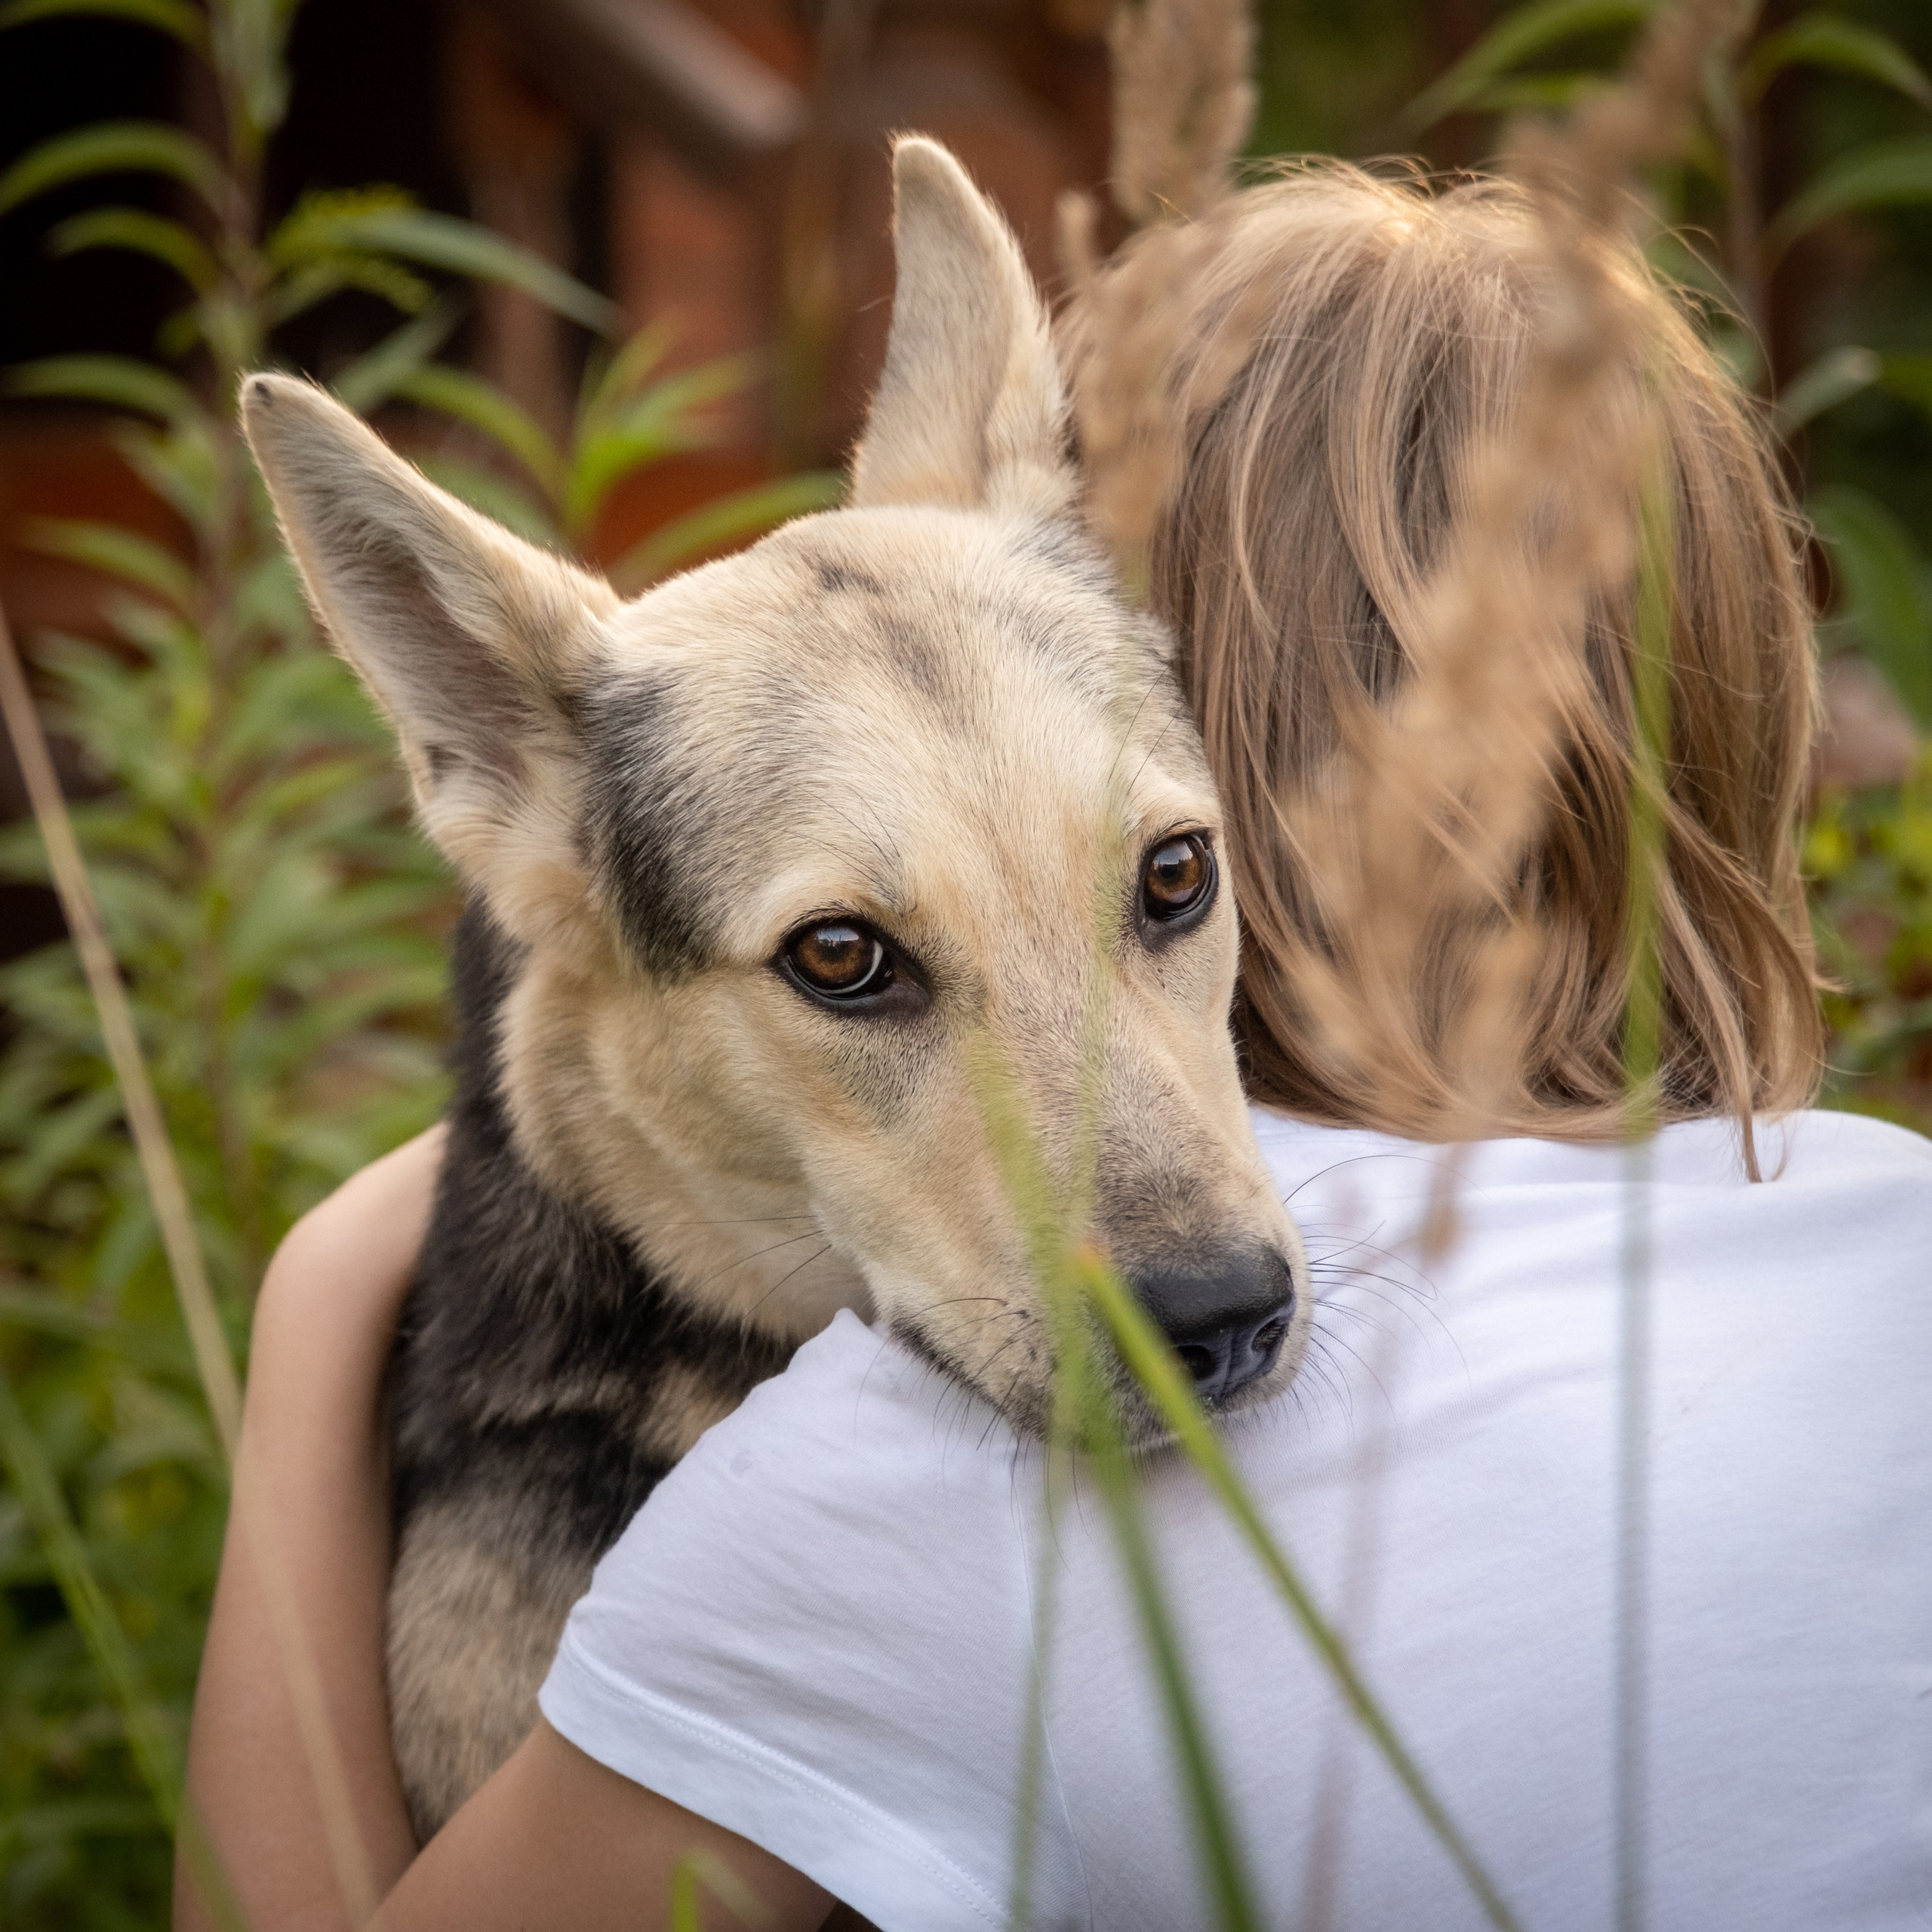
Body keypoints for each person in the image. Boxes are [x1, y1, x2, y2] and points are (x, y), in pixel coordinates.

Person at [176, 168, 1932, 1932]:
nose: (1197, 1254)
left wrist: (316, 1288)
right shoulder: (1887, 1222)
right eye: (850, 958)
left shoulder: (897, 1502)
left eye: (1164, 885)